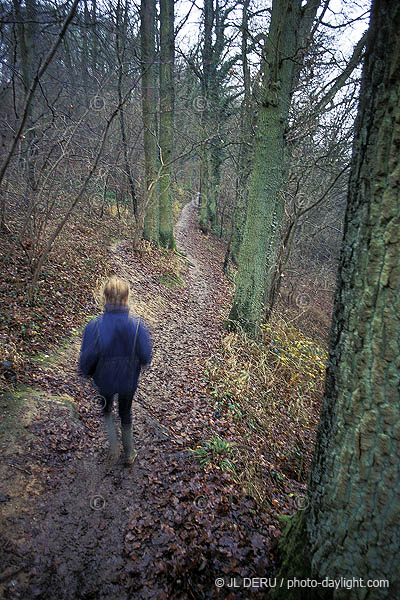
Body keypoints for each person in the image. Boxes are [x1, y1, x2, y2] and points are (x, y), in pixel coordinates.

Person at [79, 276, 152, 465]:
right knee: (126, 413)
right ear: (127, 299)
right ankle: (129, 454)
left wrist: (86, 372)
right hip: (128, 382)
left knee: (106, 411)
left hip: (103, 382)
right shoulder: (137, 326)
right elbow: (146, 356)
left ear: (104, 298)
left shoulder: (94, 326)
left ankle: (113, 448)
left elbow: (87, 358)